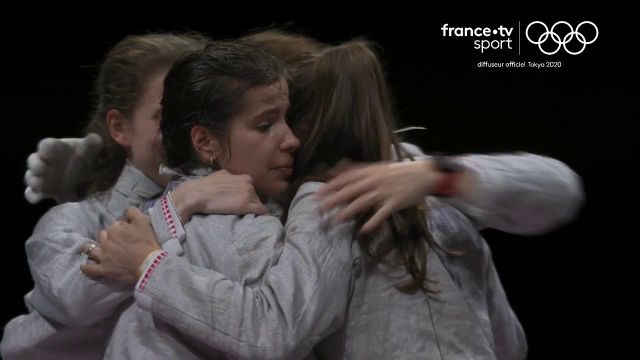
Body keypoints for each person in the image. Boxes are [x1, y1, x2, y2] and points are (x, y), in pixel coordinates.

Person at [82, 38, 583, 359]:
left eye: (282, 120)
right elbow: (508, 341)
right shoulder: (253, 209)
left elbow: (560, 191)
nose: (286, 140)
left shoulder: (370, 183)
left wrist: (439, 175)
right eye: (264, 123)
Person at [1, 33, 266, 360]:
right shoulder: (74, 220)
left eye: (200, 114)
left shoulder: (240, 201)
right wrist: (178, 205)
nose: (187, 132)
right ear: (119, 127)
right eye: (165, 116)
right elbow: (74, 299)